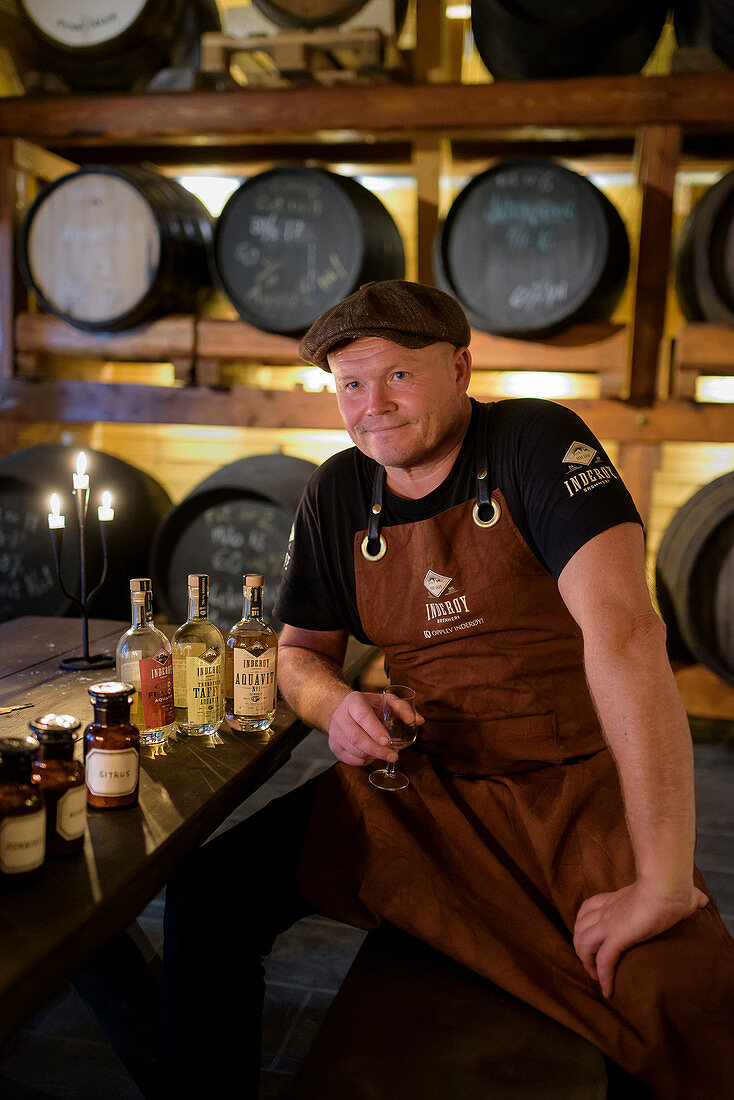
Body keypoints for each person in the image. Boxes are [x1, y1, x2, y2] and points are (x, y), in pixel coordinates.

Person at [159, 280, 734, 1099]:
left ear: (461, 368)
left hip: (570, 783)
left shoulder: (538, 441)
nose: (372, 406)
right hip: (418, 788)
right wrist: (338, 708)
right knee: (210, 899)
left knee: (678, 1003)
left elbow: (629, 635)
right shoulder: (335, 492)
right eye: (350, 385)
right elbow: (297, 656)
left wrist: (665, 882)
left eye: (397, 376)